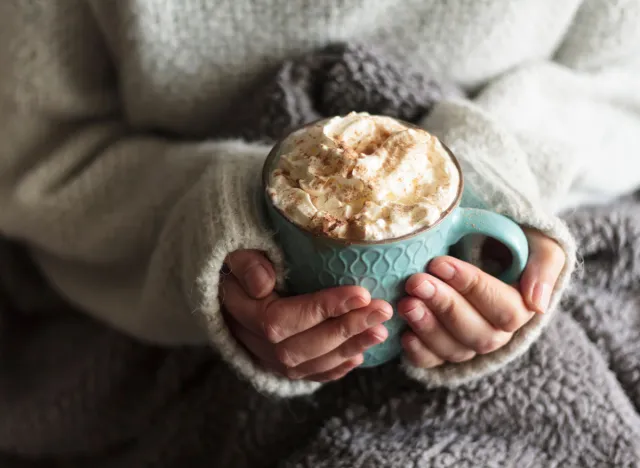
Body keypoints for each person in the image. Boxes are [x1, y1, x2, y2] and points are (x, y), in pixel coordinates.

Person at [0, 0, 639, 400]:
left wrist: (501, 177)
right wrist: (203, 224)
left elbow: (620, 79)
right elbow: (33, 149)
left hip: (567, 218)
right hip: (152, 316)